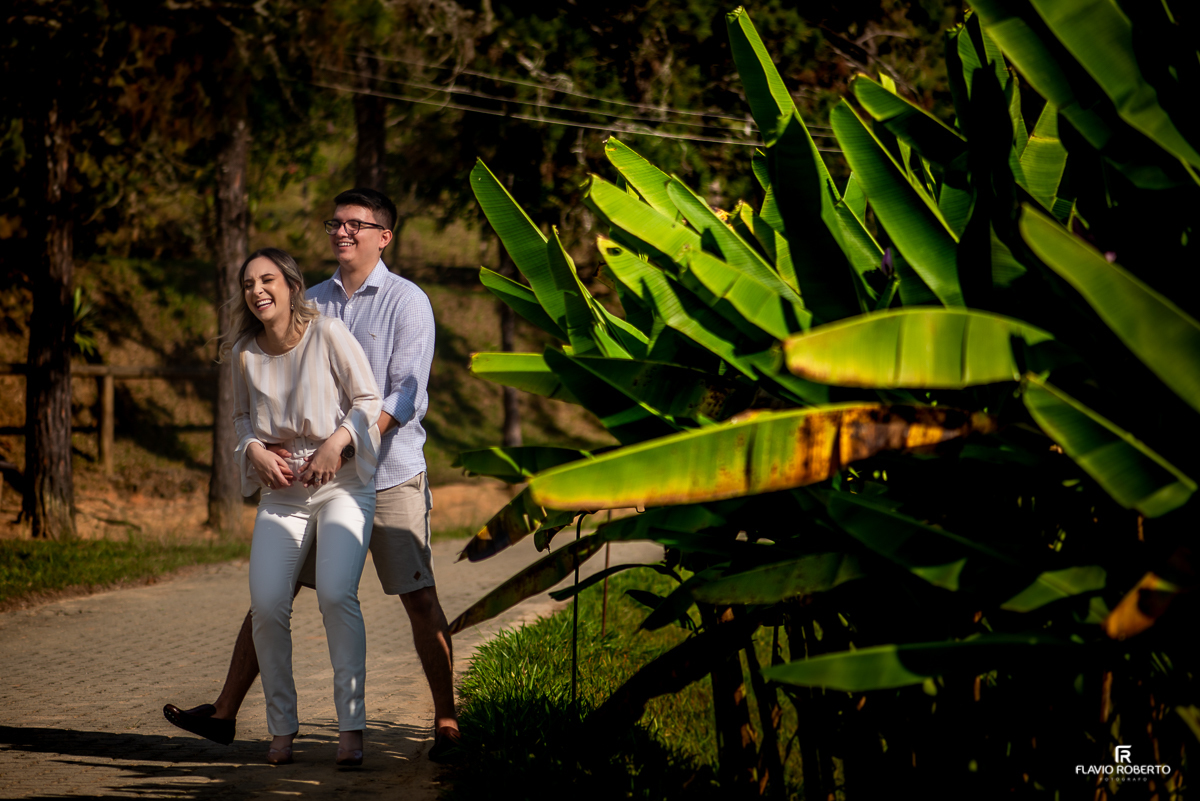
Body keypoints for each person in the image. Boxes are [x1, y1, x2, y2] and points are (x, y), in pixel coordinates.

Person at [164, 188, 460, 762]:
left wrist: (342, 444)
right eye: (335, 223)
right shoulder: (311, 300)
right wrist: (269, 444)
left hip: (391, 474)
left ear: (384, 236)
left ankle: (446, 720)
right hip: (310, 484)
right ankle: (225, 712)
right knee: (271, 597)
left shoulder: (407, 301)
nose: (342, 231)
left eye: (355, 224)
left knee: (418, 597)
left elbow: (404, 394)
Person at [229, 247, 381, 766]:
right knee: (268, 606)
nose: (257, 291)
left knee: (336, 595)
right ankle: (281, 728)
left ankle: (351, 728)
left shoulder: (328, 333)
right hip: (282, 492)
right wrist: (253, 450)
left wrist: (337, 443)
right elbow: (241, 418)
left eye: (267, 280)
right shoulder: (245, 353)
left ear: (292, 286)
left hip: (342, 484)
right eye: (248, 284)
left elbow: (368, 400)